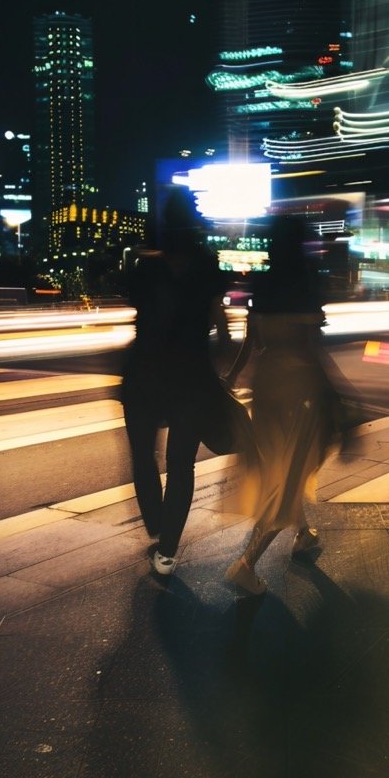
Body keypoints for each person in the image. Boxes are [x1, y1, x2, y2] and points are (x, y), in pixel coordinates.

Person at [222, 213, 347, 595]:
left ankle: (304, 533)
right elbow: (312, 349)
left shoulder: (264, 280)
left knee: (284, 464)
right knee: (291, 475)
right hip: (300, 390)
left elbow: (250, 342)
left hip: (266, 386)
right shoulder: (306, 281)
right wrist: (340, 396)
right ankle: (246, 564)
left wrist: (230, 379)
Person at [121, 188, 232, 577]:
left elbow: (134, 304)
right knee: (181, 465)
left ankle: (155, 523)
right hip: (191, 377)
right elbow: (222, 331)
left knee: (142, 456)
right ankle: (167, 551)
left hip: (144, 375)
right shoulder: (208, 267)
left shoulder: (144, 270)